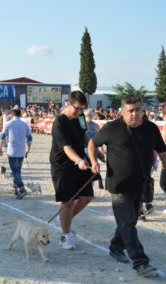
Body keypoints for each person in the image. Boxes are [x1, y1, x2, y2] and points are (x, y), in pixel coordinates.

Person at [88, 95, 166, 279]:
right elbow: (92, 143)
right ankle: (141, 263)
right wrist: (93, 161)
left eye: (138, 109)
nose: (135, 114)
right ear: (122, 112)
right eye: (130, 110)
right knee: (128, 223)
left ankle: (116, 247)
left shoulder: (151, 128)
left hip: (141, 184)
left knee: (129, 221)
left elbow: (162, 151)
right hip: (119, 185)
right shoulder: (111, 128)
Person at [50, 90, 93, 250]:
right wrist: (80, 160)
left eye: (82, 109)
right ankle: (65, 236)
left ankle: (64, 219)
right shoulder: (59, 122)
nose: (80, 112)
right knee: (67, 202)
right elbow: (67, 148)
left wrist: (95, 150)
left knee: (86, 197)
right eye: (77, 108)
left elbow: (84, 135)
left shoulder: (81, 118)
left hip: (80, 160)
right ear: (68, 103)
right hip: (63, 165)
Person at [0, 107, 33, 199]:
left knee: (15, 171)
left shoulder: (8, 124)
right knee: (18, 171)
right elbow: (29, 138)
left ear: (12, 115)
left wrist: (0, 147)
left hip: (12, 151)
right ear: (20, 114)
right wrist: (28, 149)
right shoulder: (25, 125)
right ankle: (15, 187)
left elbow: (2, 136)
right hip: (21, 151)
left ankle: (21, 188)